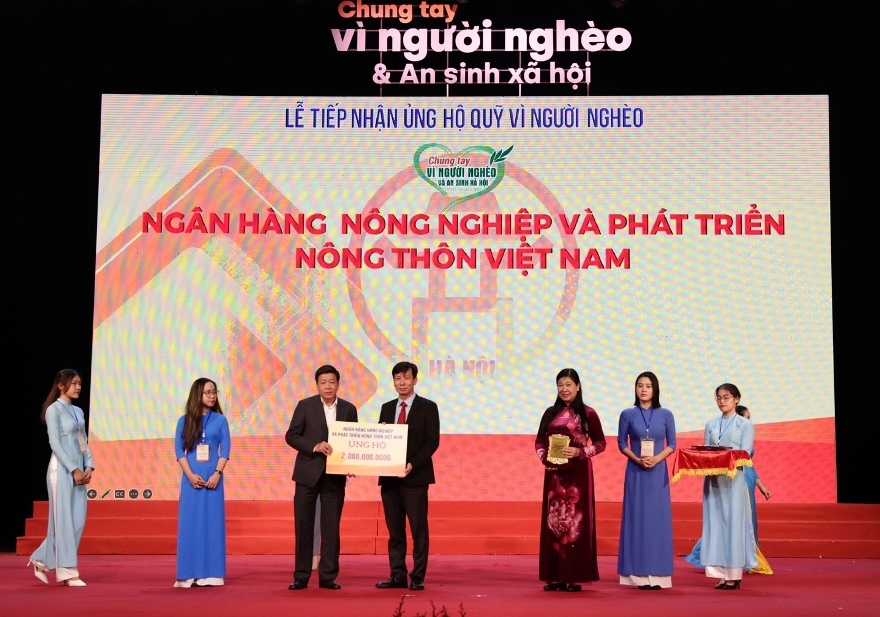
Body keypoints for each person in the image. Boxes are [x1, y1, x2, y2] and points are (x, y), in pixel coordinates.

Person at [286, 365, 358, 590]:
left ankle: (328, 576)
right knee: (304, 526)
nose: (328, 386)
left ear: (338, 384)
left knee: (331, 529)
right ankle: (301, 575)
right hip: (307, 474)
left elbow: (353, 440)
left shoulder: (348, 409)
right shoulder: (305, 406)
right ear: (317, 385)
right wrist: (314, 446)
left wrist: (352, 462)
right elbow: (291, 435)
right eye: (323, 382)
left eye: (332, 382)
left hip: (334, 477)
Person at [535, 368, 607, 592]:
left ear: (578, 386)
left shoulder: (588, 413)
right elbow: (539, 441)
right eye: (560, 385)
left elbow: (601, 443)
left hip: (578, 476)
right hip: (555, 476)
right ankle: (555, 577)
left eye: (568, 384)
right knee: (554, 523)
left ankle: (575, 577)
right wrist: (544, 458)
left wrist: (580, 452)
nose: (564, 389)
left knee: (575, 523)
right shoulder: (550, 413)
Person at [375, 361, 440, 592]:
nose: (402, 382)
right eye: (397, 378)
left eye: (406, 377)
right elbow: (378, 442)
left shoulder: (428, 407)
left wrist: (412, 464)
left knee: (418, 530)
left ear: (415, 380)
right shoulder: (386, 407)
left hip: (415, 478)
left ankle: (418, 576)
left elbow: (432, 442)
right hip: (390, 479)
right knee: (395, 531)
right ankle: (397, 575)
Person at [29, 369, 94, 587]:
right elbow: (55, 444)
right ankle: (67, 572)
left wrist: (89, 465)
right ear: (61, 385)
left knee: (78, 520)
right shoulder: (53, 410)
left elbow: (83, 441)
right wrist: (74, 468)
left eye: (80, 383)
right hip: (61, 470)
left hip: (79, 470)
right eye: (74, 383)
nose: (78, 387)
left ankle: (41, 558)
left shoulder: (78, 411)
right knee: (64, 521)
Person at [617, 371, 677, 590]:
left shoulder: (666, 414)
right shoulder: (627, 414)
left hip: (657, 473)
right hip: (636, 472)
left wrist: (657, 459)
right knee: (637, 519)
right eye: (640, 385)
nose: (643, 389)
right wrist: (638, 460)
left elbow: (672, 444)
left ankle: (659, 575)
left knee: (657, 521)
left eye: (648, 386)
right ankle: (637, 575)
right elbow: (622, 443)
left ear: (655, 389)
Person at [697, 383, 758, 590]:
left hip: (734, 480)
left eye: (727, 397)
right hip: (713, 480)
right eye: (719, 397)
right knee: (715, 525)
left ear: (737, 399)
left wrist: (723, 457)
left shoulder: (744, 424)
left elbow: (745, 453)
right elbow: (706, 451)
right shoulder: (711, 424)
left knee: (733, 525)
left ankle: (734, 574)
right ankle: (720, 574)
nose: (722, 401)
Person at [174, 378, 230, 587]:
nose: (212, 396)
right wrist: (189, 475)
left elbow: (225, 449)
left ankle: (212, 574)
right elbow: (179, 450)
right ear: (197, 394)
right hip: (191, 478)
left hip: (213, 479)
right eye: (208, 392)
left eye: (214, 392)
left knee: (213, 523)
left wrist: (217, 473)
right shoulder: (184, 420)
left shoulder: (220, 420)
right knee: (190, 523)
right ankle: (187, 574)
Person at [735, 404, 773, 574]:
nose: (749, 421)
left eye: (750, 418)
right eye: (747, 417)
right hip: (737, 478)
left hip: (749, 478)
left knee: (750, 519)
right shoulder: (732, 436)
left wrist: (762, 487)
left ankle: (751, 558)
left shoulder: (747, 437)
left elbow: (751, 465)